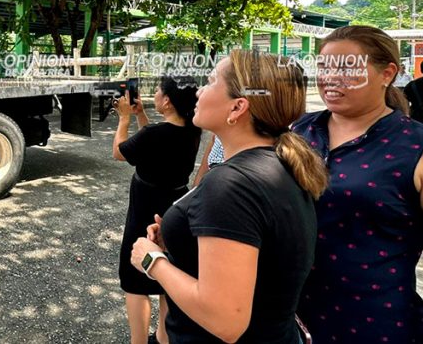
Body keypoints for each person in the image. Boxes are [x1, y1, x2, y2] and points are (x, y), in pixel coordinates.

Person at [293, 25, 423, 343]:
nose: (330, 78)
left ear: (387, 74)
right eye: (325, 67)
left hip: (375, 327)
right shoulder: (299, 131)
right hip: (286, 325)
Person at [131, 50, 328, 343]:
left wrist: (152, 261)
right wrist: (183, 243)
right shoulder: (279, 164)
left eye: (211, 82)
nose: (199, 90)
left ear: (237, 108)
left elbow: (225, 320)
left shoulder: (232, 185)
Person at [113, 77, 201, 344]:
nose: (156, 94)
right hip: (173, 207)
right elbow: (153, 140)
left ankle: (138, 341)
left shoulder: (155, 135)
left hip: (145, 209)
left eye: (160, 91)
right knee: (167, 272)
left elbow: (119, 152)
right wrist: (141, 115)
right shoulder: (191, 130)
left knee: (134, 279)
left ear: (167, 101)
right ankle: (164, 338)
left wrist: (124, 118)